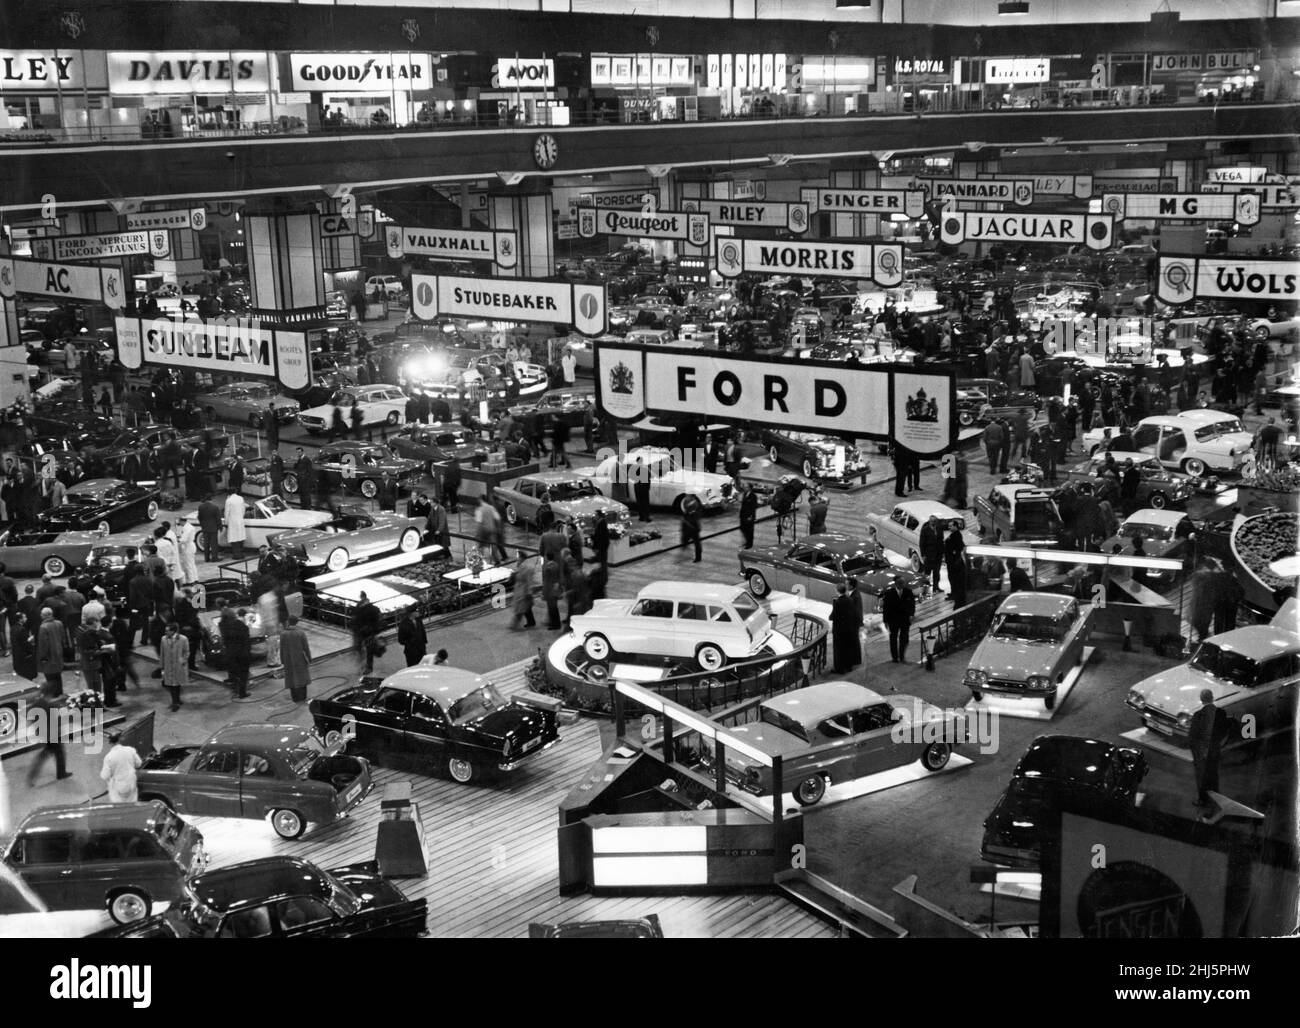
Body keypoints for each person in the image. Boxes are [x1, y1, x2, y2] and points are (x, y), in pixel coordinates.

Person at [1188, 688, 1231, 808]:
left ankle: (1203, 800)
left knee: (1201, 777)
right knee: (1213, 774)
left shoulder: (1198, 715)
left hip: (1202, 752)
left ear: (1201, 700)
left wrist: (1196, 752)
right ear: (1212, 698)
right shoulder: (1221, 713)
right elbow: (1225, 730)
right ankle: (1216, 796)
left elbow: (1192, 737)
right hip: (1214, 750)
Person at [26, 687, 70, 785]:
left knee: (46, 754)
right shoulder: (50, 706)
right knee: (58, 753)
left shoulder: (37, 704)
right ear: (49, 694)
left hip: (44, 734)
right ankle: (61, 773)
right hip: (52, 734)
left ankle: (32, 776)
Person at [99, 729, 142, 803]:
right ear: (119, 740)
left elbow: (105, 776)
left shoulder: (109, 757)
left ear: (110, 743)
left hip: (118, 788)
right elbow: (139, 763)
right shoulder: (130, 750)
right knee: (132, 805)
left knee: (119, 807)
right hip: (131, 783)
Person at [830, 583, 863, 674]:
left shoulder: (837, 602)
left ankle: (839, 668)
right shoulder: (850, 599)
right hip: (849, 628)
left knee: (838, 649)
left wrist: (834, 604)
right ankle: (848, 666)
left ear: (837, 591)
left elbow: (833, 616)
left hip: (839, 630)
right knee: (848, 648)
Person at [881, 578, 916, 664]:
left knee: (904, 638)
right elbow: (885, 608)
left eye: (903, 584)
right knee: (893, 638)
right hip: (893, 620)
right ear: (896, 584)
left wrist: (912, 614)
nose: (902, 586)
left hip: (905, 619)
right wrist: (885, 621)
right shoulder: (889, 593)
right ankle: (895, 657)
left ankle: (902, 656)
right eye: (900, 584)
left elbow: (912, 604)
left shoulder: (908, 592)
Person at [280, 616, 312, 702]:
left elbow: (282, 648)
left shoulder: (283, 633)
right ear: (297, 622)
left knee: (291, 678)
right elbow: (306, 647)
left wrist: (282, 660)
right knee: (302, 678)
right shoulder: (300, 633)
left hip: (288, 659)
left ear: (288, 622)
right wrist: (309, 658)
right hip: (300, 658)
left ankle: (295, 698)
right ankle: (303, 697)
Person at [36, 607, 66, 696]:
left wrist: (43, 657)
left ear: (45, 615)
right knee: (58, 677)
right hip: (59, 655)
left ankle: (54, 697)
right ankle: (60, 695)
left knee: (50, 679)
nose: (40, 616)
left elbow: (43, 645)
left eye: (41, 614)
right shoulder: (59, 623)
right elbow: (63, 638)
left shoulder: (43, 627)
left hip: (49, 658)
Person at [159, 621, 189, 712]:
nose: (165, 632)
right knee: (171, 685)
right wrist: (161, 666)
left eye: (167, 631)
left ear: (173, 631)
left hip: (178, 666)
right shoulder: (163, 639)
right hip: (168, 666)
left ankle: (177, 700)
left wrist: (183, 660)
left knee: (176, 684)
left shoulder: (183, 639)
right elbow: (162, 653)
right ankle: (175, 702)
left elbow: (186, 652)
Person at [352, 591, 382, 676]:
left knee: (367, 650)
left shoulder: (362, 608)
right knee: (367, 650)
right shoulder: (371, 608)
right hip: (366, 632)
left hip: (365, 632)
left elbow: (356, 619)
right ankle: (367, 666)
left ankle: (367, 666)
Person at [511, 551, 540, 629]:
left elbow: (529, 581)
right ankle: (531, 621)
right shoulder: (520, 566)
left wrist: (529, 592)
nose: (517, 559)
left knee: (522, 607)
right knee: (525, 607)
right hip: (519, 589)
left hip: (524, 589)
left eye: (518, 558)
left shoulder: (527, 568)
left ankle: (515, 624)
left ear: (522, 558)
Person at [919, 514, 944, 591]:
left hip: (938, 554)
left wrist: (942, 553)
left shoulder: (939, 528)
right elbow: (922, 543)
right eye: (932, 521)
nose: (933, 522)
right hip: (929, 554)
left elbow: (941, 541)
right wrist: (923, 555)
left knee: (937, 572)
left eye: (934, 521)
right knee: (927, 573)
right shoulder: (925, 530)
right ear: (929, 521)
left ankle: (936, 587)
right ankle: (926, 588)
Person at [945, 527, 968, 608]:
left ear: (955, 526)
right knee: (952, 579)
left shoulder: (956, 536)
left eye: (951, 526)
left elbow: (957, 548)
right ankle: (953, 593)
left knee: (954, 579)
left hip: (954, 563)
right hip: (952, 562)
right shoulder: (954, 535)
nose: (949, 527)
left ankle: (954, 594)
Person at [197, 497, 222, 562]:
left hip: (205, 528)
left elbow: (199, 517)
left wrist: (202, 525)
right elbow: (218, 519)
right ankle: (214, 558)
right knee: (214, 544)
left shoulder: (201, 507)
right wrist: (220, 526)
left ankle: (206, 558)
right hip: (213, 528)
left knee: (206, 543)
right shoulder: (215, 507)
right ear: (211, 500)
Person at [177, 516, 200, 585]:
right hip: (191, 545)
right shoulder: (189, 526)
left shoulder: (186, 528)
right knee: (192, 564)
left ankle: (191, 581)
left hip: (188, 547)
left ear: (182, 521)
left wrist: (178, 542)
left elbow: (183, 540)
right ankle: (195, 578)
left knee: (188, 565)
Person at [680, 493, 703, 563]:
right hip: (692, 525)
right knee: (695, 541)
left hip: (692, 525)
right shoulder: (693, 502)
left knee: (693, 541)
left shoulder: (690, 503)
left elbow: (688, 511)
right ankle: (697, 557)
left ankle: (695, 556)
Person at [224, 491, 247, 556]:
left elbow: (226, 512)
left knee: (234, 538)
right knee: (240, 537)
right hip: (240, 519)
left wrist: (226, 521)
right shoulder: (241, 498)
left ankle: (236, 554)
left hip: (232, 521)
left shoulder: (228, 500)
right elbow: (243, 509)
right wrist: (241, 516)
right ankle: (241, 553)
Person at [632, 455, 652, 522]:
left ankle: (641, 517)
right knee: (645, 502)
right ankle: (647, 517)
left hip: (637, 487)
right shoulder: (645, 468)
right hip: (644, 487)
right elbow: (649, 476)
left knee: (639, 502)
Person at [738, 483, 758, 549]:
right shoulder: (744, 494)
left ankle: (749, 544)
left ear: (750, 488)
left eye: (746, 487)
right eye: (744, 487)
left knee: (749, 531)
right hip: (743, 515)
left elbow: (753, 507)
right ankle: (745, 541)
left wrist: (751, 516)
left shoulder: (753, 496)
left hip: (749, 516)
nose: (745, 488)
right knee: (743, 528)